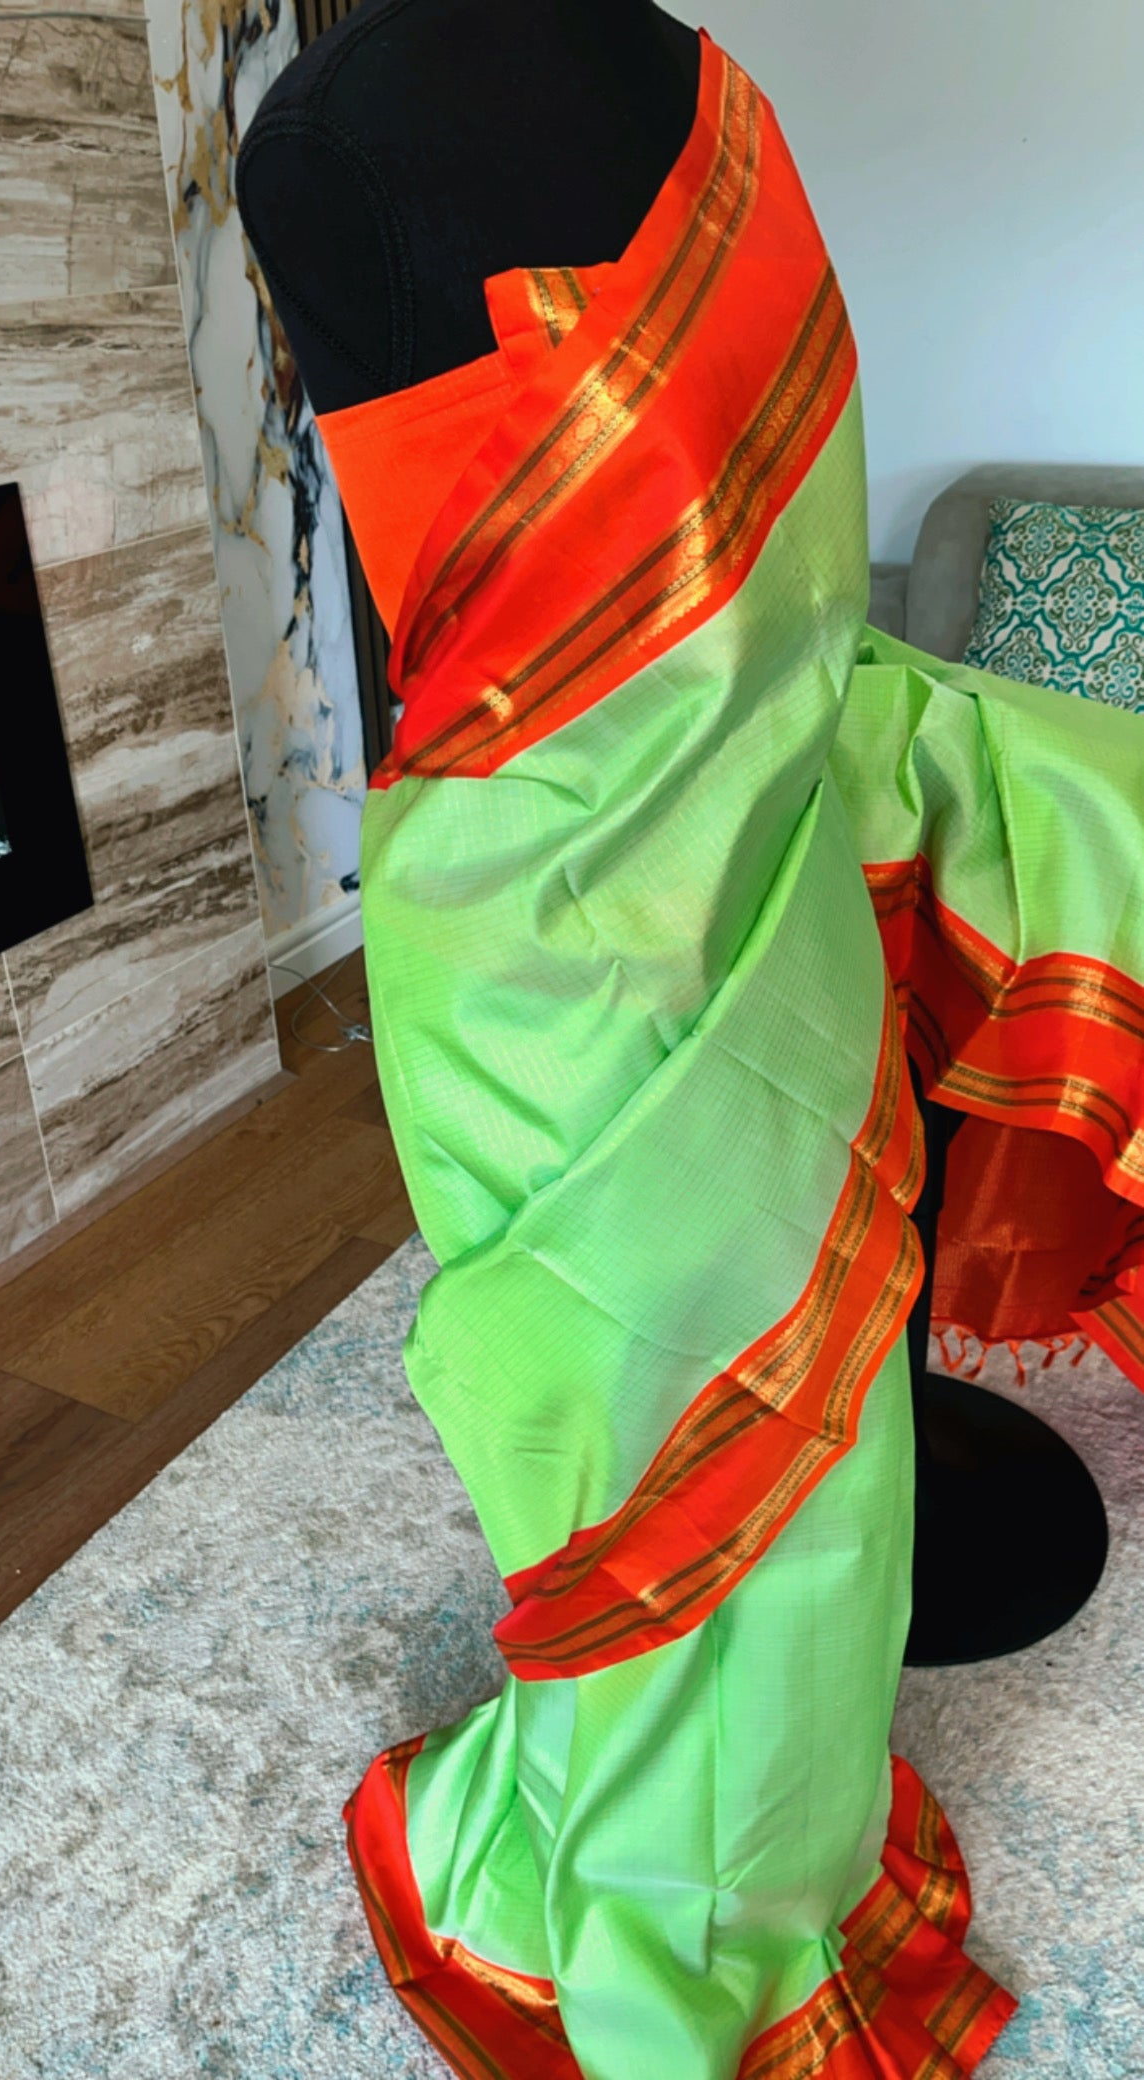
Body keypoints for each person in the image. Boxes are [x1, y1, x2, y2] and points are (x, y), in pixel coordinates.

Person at [238, 13, 1144, 2075]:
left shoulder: (615, 74)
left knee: (769, 1410)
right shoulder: (586, 87)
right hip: (568, 892)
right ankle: (698, 1890)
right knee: (666, 1449)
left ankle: (761, 1789)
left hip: (751, 776)